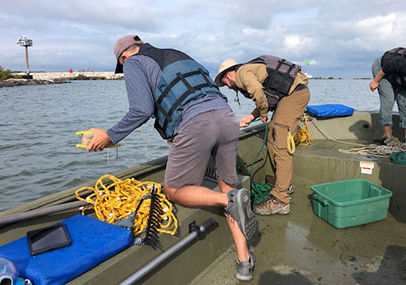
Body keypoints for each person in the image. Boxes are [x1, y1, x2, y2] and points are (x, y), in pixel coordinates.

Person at [86, 35, 258, 281]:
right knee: (230, 187)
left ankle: (227, 199)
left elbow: (141, 110)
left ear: (124, 57)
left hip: (197, 124)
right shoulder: (177, 53)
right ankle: (244, 262)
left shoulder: (134, 63)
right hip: (227, 117)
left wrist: (109, 135)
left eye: (122, 64)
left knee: (174, 190)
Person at [215, 56, 310, 216]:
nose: (228, 88)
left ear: (229, 74)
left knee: (281, 144)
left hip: (295, 96)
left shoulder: (242, 73)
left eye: (225, 82)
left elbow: (258, 93)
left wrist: (264, 114)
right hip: (289, 97)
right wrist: (252, 116)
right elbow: (267, 98)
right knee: (273, 136)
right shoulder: (247, 72)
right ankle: (283, 183)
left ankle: (281, 200)